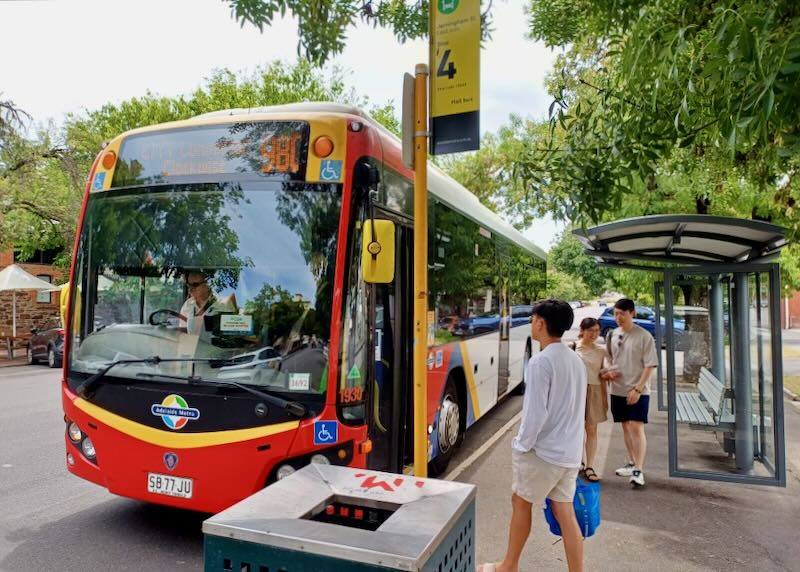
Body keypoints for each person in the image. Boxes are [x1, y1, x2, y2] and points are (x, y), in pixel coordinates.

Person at [479, 300, 587, 572]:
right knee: (565, 513)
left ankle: (508, 565)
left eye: (532, 318)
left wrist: (520, 445)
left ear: (540, 323)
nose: (531, 323)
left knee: (520, 502)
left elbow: (535, 414)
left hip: (544, 453)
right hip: (569, 454)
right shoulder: (576, 359)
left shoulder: (541, 362)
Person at [606, 298, 658, 487]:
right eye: (616, 313)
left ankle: (638, 470)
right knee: (626, 427)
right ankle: (631, 461)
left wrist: (638, 388)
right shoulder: (613, 334)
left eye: (622, 313)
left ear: (632, 313)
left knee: (636, 427)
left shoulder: (644, 336)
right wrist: (608, 370)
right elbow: (609, 358)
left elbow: (650, 365)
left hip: (638, 391)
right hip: (617, 389)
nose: (618, 317)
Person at [574, 317, 610, 482]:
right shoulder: (572, 348)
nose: (594, 334)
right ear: (582, 330)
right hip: (576, 391)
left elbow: (607, 370)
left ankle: (590, 465)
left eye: (596, 331)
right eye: (590, 331)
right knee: (575, 428)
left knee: (591, 429)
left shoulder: (601, 351)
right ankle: (577, 461)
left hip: (594, 390)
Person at [178, 271, 236, 337]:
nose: (190, 289)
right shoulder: (187, 304)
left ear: (208, 284)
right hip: (192, 346)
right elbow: (182, 333)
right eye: (188, 285)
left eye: (195, 285)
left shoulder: (224, 305)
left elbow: (229, 338)